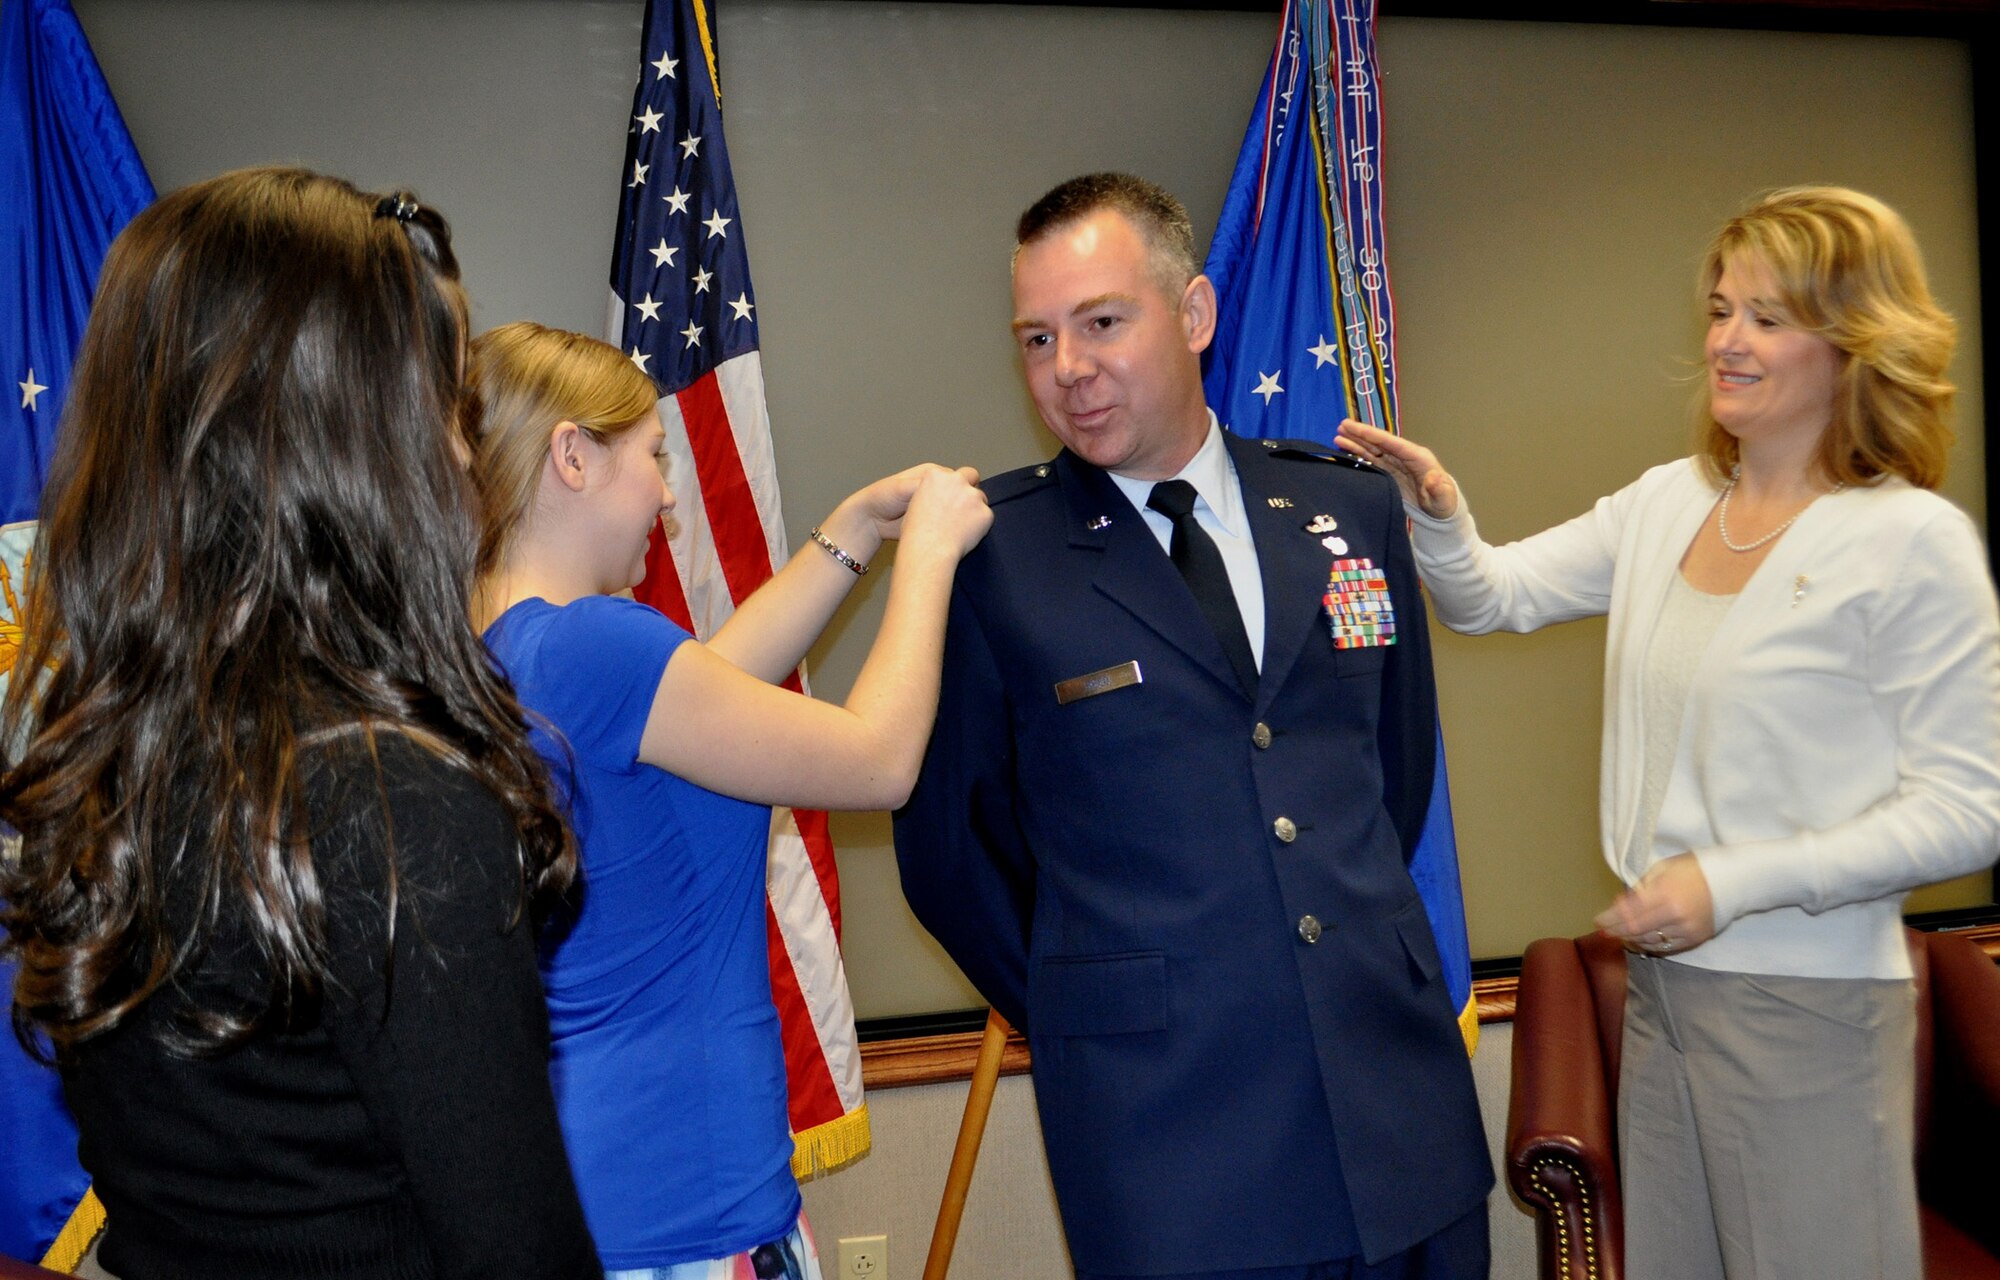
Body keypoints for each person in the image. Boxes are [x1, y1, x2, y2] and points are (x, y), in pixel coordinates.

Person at [1339, 185, 2000, 1279]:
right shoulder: (1668, 500)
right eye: (1717, 307)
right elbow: (1489, 596)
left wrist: (1727, 881)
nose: (1722, 342)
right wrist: (1435, 510)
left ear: (1852, 343)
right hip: (1663, 998)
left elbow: (1967, 808)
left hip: (1808, 1013)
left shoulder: (1907, 540)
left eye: (1764, 317)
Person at [0, 168, 601, 1278]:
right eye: (440, 410)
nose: (465, 459)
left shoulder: (113, 759)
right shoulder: (394, 800)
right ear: (345, 449)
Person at [892, 173, 1491, 1280]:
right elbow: (949, 855)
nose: (1066, 369)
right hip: (1167, 1140)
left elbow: (1393, 773)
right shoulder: (992, 558)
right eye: (1035, 337)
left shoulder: (1347, 507)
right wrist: (1097, 994)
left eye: (1100, 322)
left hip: (1395, 1105)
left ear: (1195, 314)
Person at [467, 320, 991, 1280]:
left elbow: (710, 683)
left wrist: (855, 533)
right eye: (654, 457)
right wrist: (930, 558)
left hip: (606, 1198)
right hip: (686, 1219)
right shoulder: (597, 644)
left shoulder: (501, 651)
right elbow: (879, 762)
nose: (668, 493)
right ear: (571, 456)